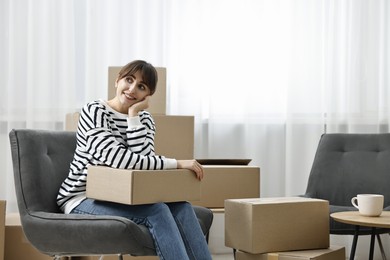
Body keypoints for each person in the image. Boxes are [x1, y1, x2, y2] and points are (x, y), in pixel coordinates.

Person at [57, 60, 212, 260]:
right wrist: (177, 163)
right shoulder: (94, 111)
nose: (132, 89)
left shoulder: (144, 119)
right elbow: (119, 160)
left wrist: (133, 116)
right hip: (82, 197)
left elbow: (144, 165)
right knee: (157, 211)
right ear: (117, 80)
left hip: (124, 196)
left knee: (183, 207)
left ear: (147, 95)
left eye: (141, 86)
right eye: (128, 80)